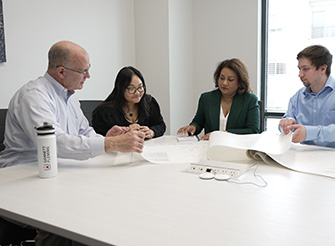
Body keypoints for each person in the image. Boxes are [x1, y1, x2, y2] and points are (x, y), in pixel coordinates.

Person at [0, 41, 145, 245]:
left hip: (58, 173)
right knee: (63, 220)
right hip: (22, 177)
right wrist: (110, 145)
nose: (88, 76)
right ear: (61, 71)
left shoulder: (70, 97)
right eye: (83, 71)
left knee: (105, 198)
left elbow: (83, 132)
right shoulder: (34, 96)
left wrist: (107, 139)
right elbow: (53, 144)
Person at [279, 44, 335, 151]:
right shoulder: (297, 97)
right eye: (299, 69)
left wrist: (309, 133)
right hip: (306, 156)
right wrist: (285, 124)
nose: (300, 74)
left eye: (305, 69)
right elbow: (284, 125)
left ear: (323, 68)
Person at [177, 58, 260, 140]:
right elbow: (199, 121)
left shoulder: (250, 100)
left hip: (237, 147)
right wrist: (193, 127)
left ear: (240, 82)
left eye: (230, 80)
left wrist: (222, 134)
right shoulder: (206, 98)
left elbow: (253, 130)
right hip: (211, 147)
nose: (224, 83)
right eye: (222, 78)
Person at [92, 66, 166, 139]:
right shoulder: (104, 112)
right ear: (121, 89)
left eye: (140, 87)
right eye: (131, 89)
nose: (137, 93)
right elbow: (99, 139)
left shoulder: (149, 102)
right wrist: (125, 134)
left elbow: (160, 125)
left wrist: (152, 132)